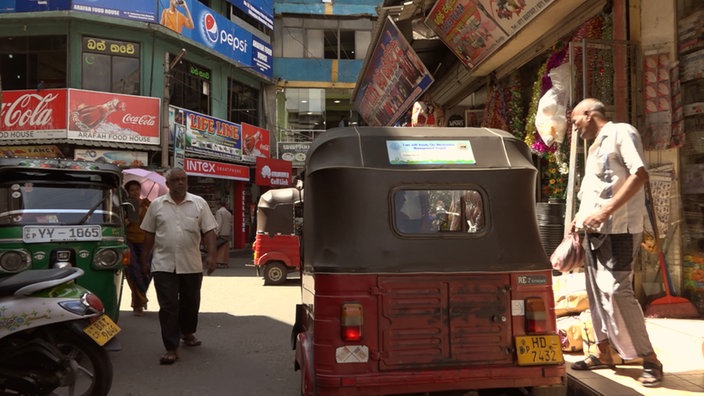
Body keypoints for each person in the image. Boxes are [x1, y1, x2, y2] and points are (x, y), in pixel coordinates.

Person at [568, 98, 663, 387]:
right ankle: (604, 350)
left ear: (589, 114)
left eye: (575, 121)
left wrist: (606, 210)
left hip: (621, 228)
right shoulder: (596, 144)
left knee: (617, 291)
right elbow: (597, 187)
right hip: (594, 230)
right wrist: (580, 216)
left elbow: (640, 174)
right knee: (596, 293)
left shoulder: (622, 132)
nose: (575, 129)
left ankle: (650, 359)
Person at [140, 168, 218, 365]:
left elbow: (209, 231)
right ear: (168, 184)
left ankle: (187, 332)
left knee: (190, 302)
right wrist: (143, 259)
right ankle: (171, 347)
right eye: (175, 180)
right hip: (163, 264)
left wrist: (212, 255)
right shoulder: (156, 205)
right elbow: (148, 234)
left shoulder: (199, 203)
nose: (180, 183)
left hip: (191, 262)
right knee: (168, 306)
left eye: (183, 179)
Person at [124, 180, 152, 316]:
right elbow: (120, 223)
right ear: (128, 192)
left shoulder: (148, 204)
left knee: (147, 271)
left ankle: (139, 300)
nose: (135, 192)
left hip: (146, 241)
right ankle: (140, 301)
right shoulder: (125, 205)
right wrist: (129, 218)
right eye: (132, 190)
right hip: (129, 240)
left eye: (137, 189)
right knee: (133, 271)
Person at [214, 200, 233, 268]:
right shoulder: (228, 213)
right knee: (225, 248)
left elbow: (219, 223)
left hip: (221, 233)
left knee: (219, 248)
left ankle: (219, 261)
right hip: (227, 233)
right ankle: (225, 262)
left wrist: (216, 232)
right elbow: (230, 224)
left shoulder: (219, 212)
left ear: (219, 205)